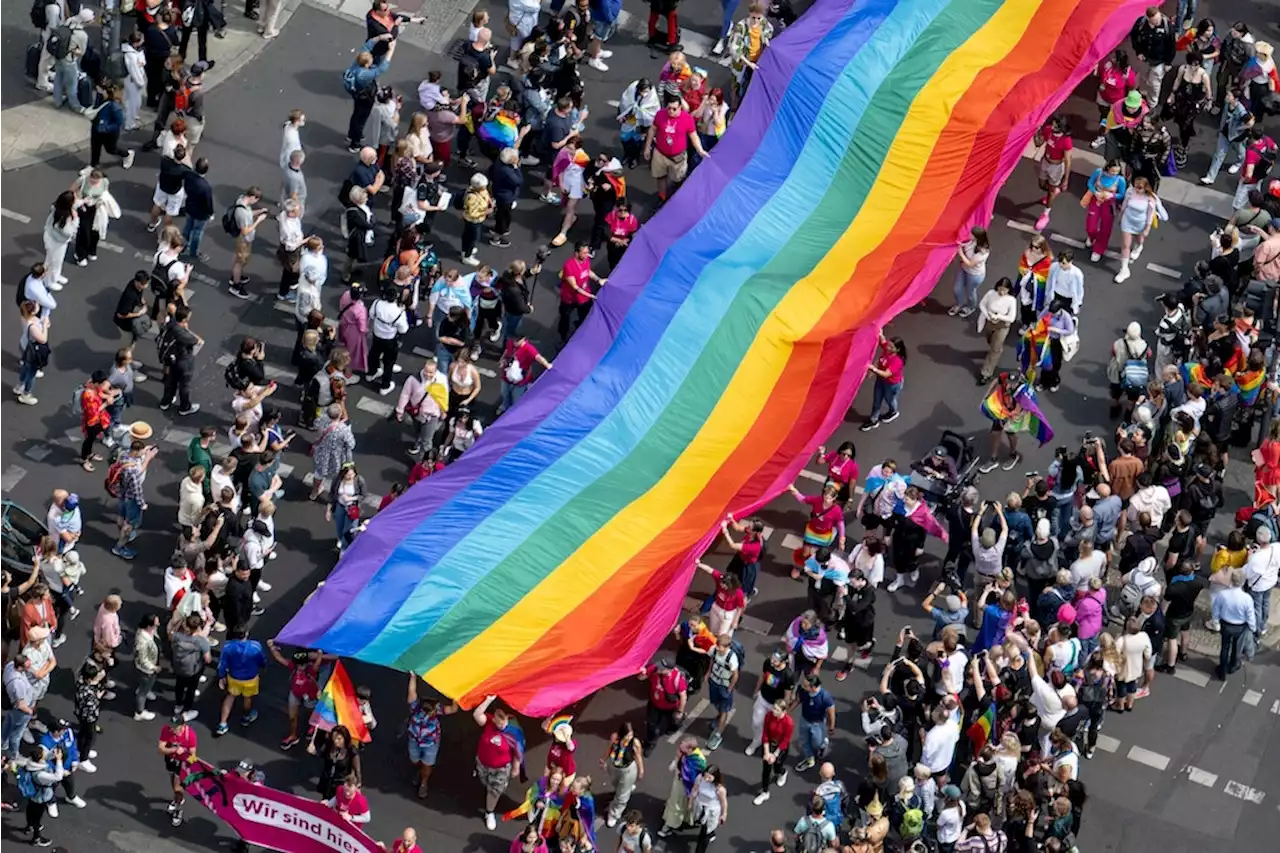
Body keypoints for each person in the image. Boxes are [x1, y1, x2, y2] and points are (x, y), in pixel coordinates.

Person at [345, 35, 396, 151]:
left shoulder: (357, 62)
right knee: (361, 119)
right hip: (365, 97)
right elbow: (382, 68)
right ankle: (355, 144)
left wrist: (380, 37)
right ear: (367, 64)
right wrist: (391, 50)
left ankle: (351, 134)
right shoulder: (364, 75)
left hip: (357, 94)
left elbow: (367, 45)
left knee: (356, 114)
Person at [558, 242, 606, 344]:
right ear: (576, 253)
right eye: (584, 253)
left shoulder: (586, 260)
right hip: (569, 298)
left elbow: (588, 271)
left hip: (583, 296)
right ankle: (563, 336)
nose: (586, 255)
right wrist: (591, 296)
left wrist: (598, 280)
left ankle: (580, 327)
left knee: (585, 314)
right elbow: (575, 287)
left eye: (587, 253)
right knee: (565, 317)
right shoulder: (569, 266)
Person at [861, 333, 907, 430]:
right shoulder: (887, 349)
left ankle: (893, 411)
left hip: (891, 384)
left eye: (891, 346)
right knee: (877, 400)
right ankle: (873, 420)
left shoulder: (897, 361)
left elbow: (887, 374)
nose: (888, 347)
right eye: (889, 345)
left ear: (897, 350)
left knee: (890, 400)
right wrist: (879, 332)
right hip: (881, 381)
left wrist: (873, 369)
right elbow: (882, 341)